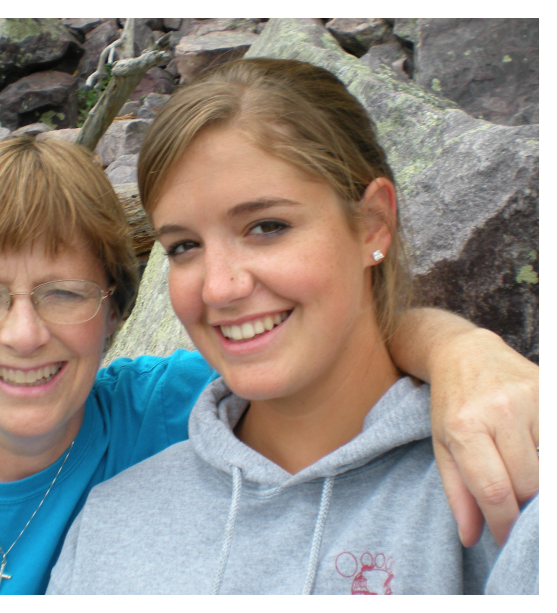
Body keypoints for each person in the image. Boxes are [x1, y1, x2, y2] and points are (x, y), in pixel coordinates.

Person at [0, 136, 538, 594]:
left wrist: (464, 353)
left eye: (63, 293)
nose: (23, 333)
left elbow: (336, 347)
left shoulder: (178, 409)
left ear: (116, 313)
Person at [46, 58, 537, 594]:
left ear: (373, 222)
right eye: (184, 246)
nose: (219, 288)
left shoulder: (507, 477)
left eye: (266, 227)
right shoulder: (110, 524)